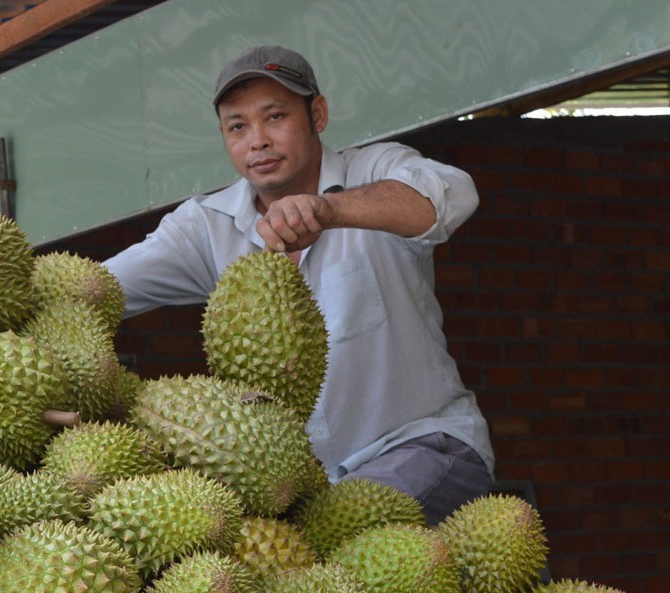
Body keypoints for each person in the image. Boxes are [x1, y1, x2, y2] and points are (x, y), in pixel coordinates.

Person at [102, 45, 494, 524]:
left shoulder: (372, 171)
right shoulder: (208, 226)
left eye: (275, 117)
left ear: (318, 114)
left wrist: (330, 210)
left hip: (425, 447)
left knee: (330, 545)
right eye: (237, 126)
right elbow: (101, 286)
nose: (258, 141)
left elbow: (450, 195)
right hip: (310, 492)